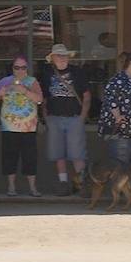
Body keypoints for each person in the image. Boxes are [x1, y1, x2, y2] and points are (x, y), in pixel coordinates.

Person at [98, 51, 131, 198]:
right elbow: (111, 100)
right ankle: (120, 192)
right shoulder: (118, 80)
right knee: (120, 163)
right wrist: (117, 116)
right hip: (121, 130)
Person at [39, 44, 91, 197]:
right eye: (58, 56)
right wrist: (46, 116)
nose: (62, 58)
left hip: (74, 117)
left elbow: (86, 96)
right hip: (54, 118)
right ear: (53, 59)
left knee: (78, 153)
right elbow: (44, 98)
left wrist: (82, 116)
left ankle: (81, 184)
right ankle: (63, 184)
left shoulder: (78, 72)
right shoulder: (47, 73)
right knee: (58, 153)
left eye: (64, 55)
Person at [0, 56, 44, 197]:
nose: (20, 70)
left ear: (27, 68)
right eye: (16, 67)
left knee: (30, 158)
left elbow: (39, 99)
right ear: (12, 68)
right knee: (9, 158)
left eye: (23, 67)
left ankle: (33, 188)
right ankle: (11, 187)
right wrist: (0, 93)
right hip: (9, 126)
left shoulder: (32, 81)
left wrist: (24, 90)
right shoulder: (5, 81)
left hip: (28, 127)